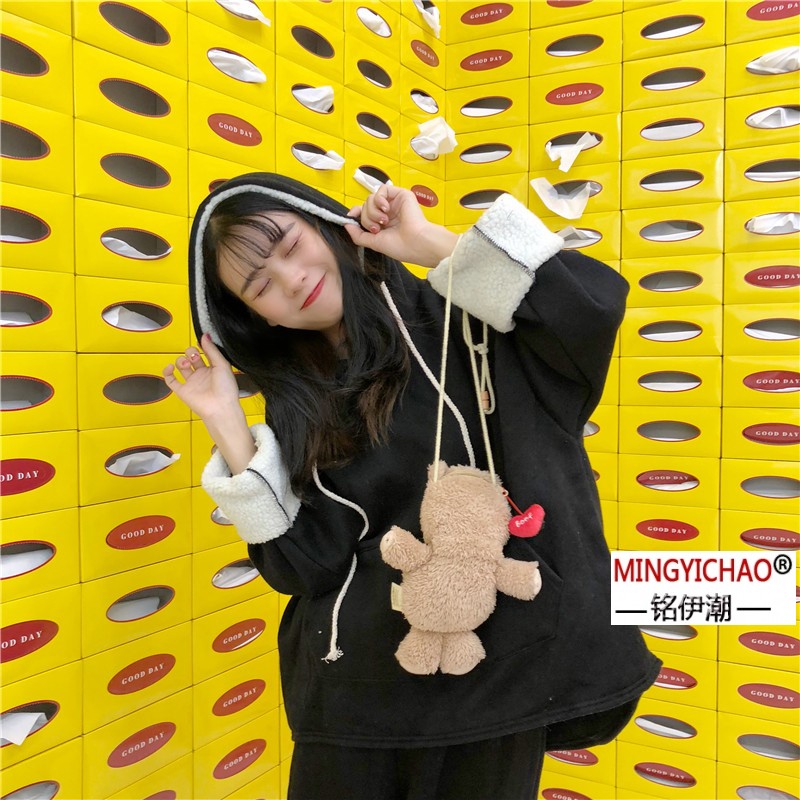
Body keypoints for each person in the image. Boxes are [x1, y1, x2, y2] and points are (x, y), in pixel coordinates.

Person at [164, 172, 661, 800]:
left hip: (496, 673)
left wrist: (428, 243)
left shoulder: (470, 317)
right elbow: (305, 567)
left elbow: (586, 308)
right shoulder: (297, 401)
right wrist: (227, 423)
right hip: (356, 693)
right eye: (259, 286)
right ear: (252, 316)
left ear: (325, 225)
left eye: (290, 246)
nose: (290, 280)